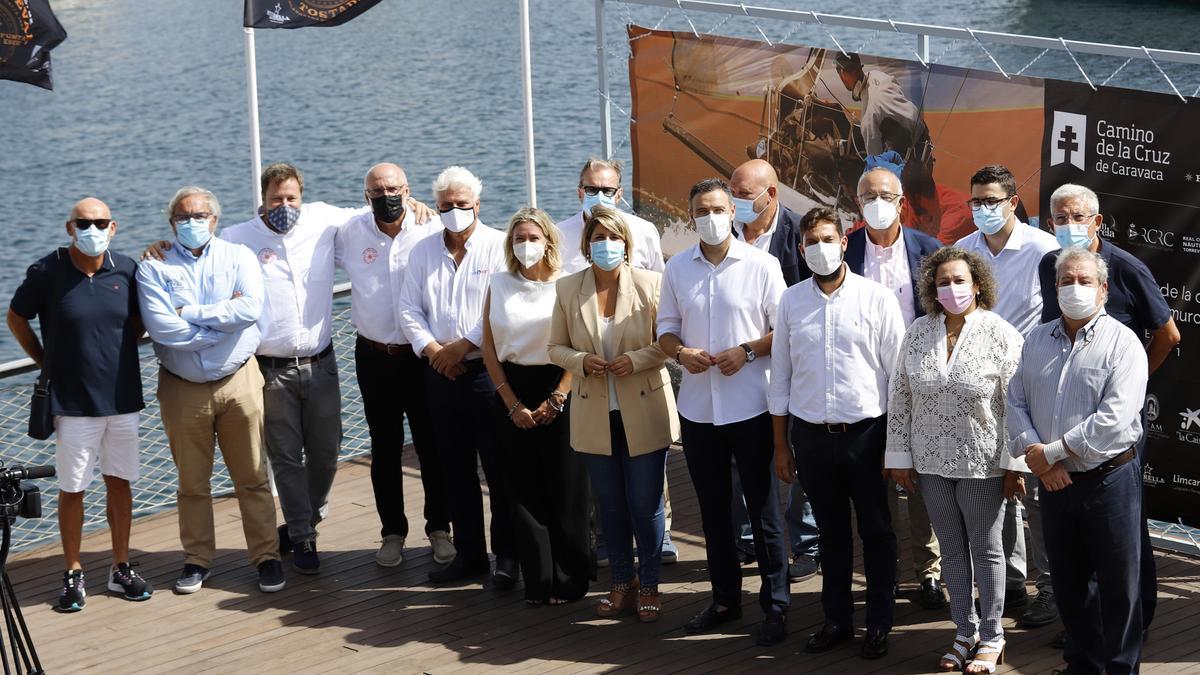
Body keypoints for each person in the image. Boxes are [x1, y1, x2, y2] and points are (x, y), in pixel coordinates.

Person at [1037, 183, 1179, 645]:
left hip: (1114, 430)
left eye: (1077, 216)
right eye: (1059, 217)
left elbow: (1168, 334)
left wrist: (1133, 386)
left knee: (1125, 536)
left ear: (1097, 222)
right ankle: (1086, 625)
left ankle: (1135, 620)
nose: (1068, 225)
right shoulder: (1049, 265)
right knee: (1076, 540)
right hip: (1063, 424)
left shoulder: (1127, 268)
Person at [657, 179, 789, 644]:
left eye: (717, 208)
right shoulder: (676, 268)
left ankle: (776, 605)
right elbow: (665, 331)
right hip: (698, 410)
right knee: (715, 513)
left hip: (752, 405)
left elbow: (784, 331)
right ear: (690, 215)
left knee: (765, 511)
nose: (709, 217)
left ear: (732, 212)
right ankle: (725, 600)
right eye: (700, 210)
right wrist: (680, 353)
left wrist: (748, 352)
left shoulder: (763, 265)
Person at [884, 247, 1026, 673]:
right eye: (943, 281)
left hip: (984, 463)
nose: (951, 288)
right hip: (930, 463)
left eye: (959, 280)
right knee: (950, 550)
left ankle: (993, 635)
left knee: (986, 551)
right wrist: (899, 457)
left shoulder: (1001, 333)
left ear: (978, 284)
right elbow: (901, 396)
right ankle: (964, 631)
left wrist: (1015, 465)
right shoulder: (918, 332)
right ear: (932, 288)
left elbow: (1016, 402)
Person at [137, 186, 285, 594]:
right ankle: (197, 559)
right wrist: (220, 328)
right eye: (182, 218)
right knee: (192, 482)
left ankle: (266, 556)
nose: (191, 223)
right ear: (171, 223)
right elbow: (161, 327)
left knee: (253, 476)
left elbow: (250, 309)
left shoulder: (239, 256)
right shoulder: (153, 266)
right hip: (182, 388)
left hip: (239, 379)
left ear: (214, 220)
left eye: (199, 216)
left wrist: (192, 317)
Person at [771, 206, 903, 659]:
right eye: (811, 241)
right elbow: (781, 377)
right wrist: (781, 447)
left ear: (845, 243)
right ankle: (837, 620)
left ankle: (880, 622)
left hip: (868, 434)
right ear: (801, 248)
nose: (820, 248)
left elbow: (898, 377)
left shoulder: (877, 298)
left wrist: (896, 446)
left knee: (877, 531)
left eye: (829, 239)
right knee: (830, 533)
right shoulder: (790, 301)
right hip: (810, 436)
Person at [1008, 247, 1148, 674]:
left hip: (1109, 482)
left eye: (1084, 281)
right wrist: (1043, 463)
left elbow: (1114, 419)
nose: (1075, 288)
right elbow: (1014, 401)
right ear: (1055, 288)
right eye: (1066, 280)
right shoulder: (1035, 339)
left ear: (1103, 290)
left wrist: (1050, 452)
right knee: (1069, 584)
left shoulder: (1124, 344)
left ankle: (1121, 668)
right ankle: (1083, 665)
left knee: (1120, 588)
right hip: (1053, 484)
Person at [7, 198, 150, 612]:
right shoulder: (47, 271)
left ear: (113, 227)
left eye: (100, 222)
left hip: (122, 399)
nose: (93, 229)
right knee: (73, 489)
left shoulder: (126, 269)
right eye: (84, 223)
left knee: (120, 482)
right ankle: (72, 572)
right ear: (70, 227)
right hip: (71, 404)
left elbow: (141, 320)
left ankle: (120, 567)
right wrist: (44, 361)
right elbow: (17, 318)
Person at [220, 163, 358, 575]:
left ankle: (307, 518)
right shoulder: (236, 238)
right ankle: (302, 537)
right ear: (262, 200)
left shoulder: (324, 219)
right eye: (276, 198)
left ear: (303, 197)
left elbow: (373, 216)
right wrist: (160, 248)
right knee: (285, 457)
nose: (285, 205)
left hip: (322, 363)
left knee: (327, 452)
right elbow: (201, 262)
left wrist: (415, 206)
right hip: (269, 370)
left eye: (291, 197)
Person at [548, 205, 680, 622]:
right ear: (587, 245)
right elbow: (555, 347)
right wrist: (582, 361)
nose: (606, 244)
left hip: (644, 405)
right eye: (599, 238)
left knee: (645, 503)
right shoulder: (568, 288)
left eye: (614, 237)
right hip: (593, 412)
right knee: (610, 505)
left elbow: (669, 342)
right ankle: (623, 584)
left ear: (627, 243)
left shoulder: (652, 284)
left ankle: (652, 583)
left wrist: (637, 359)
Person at [397, 166, 516, 586]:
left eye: (462, 205)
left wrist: (462, 346)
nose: (454, 212)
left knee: (499, 467)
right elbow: (408, 310)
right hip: (439, 373)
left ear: (477, 206)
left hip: (487, 372)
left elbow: (505, 308)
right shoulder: (422, 251)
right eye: (446, 206)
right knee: (455, 467)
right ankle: (469, 555)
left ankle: (506, 555)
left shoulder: (501, 247)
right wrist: (434, 351)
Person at [336, 163, 453, 568]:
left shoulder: (432, 226)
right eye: (377, 190)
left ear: (408, 190)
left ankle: (440, 528)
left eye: (395, 189)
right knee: (383, 448)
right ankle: (392, 533)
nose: (387, 197)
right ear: (365, 195)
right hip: (374, 356)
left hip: (423, 356)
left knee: (431, 445)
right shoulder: (349, 231)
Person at [954, 164, 1058, 619]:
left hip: (1034, 385)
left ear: (1013, 202)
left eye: (991, 201)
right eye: (976, 201)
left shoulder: (1044, 249)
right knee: (998, 486)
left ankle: (1052, 587)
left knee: (1037, 489)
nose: (982, 209)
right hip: (979, 389)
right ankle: (1010, 584)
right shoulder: (961, 251)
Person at [848, 166, 946, 610]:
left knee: (924, 484)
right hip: (866, 389)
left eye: (886, 195)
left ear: (902, 202)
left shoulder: (930, 251)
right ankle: (882, 575)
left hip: (922, 387)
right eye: (868, 195)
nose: (877, 203)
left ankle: (930, 573)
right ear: (857, 204)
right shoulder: (843, 252)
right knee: (875, 488)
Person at [481, 207, 589, 606]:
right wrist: (509, 401)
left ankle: (570, 576)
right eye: (518, 238)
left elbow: (579, 346)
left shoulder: (567, 285)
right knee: (521, 489)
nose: (525, 245)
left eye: (532, 237)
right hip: (513, 387)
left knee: (566, 486)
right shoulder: (498, 283)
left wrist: (559, 396)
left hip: (559, 384)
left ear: (548, 241)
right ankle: (538, 578)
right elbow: (488, 347)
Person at [728, 159, 818, 583]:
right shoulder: (722, 233)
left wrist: (754, 347)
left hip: (793, 368)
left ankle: (807, 544)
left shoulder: (800, 235)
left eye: (745, 196)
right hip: (738, 375)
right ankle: (747, 538)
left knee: (796, 457)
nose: (736, 204)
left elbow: (804, 314)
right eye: (734, 194)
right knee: (740, 460)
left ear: (771, 195)